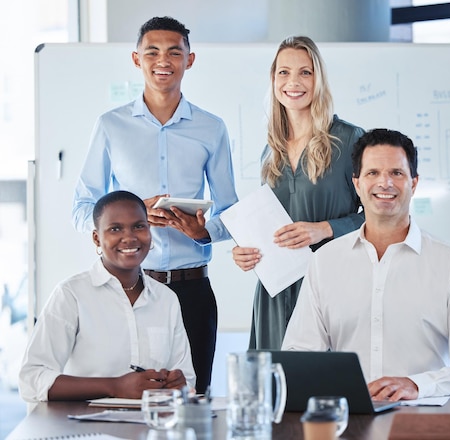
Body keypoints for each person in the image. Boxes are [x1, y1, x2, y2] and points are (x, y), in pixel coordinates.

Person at [72, 16, 238, 393]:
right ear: (136, 59)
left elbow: (230, 212)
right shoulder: (111, 126)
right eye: (153, 52)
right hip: (129, 287)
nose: (163, 60)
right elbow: (82, 208)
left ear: (189, 60)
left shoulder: (212, 128)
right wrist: (130, 219)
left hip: (192, 291)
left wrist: (204, 231)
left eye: (174, 52)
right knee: (127, 400)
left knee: (193, 400)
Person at [282, 128, 450, 401]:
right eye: (372, 173)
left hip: (423, 420)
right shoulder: (325, 261)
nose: (384, 183)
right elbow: (299, 356)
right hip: (350, 420)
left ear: (414, 183)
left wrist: (417, 385)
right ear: (357, 184)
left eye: (397, 173)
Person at [232, 36, 365, 350]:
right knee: (275, 391)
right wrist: (246, 250)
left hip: (329, 286)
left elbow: (381, 217)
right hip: (275, 292)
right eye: (283, 72)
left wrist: (324, 229)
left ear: (318, 79)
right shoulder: (271, 149)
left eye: (305, 72)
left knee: (323, 389)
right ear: (274, 79)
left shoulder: (349, 139)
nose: (293, 82)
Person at [19, 191, 195, 403]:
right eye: (115, 229)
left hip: (151, 427)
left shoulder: (166, 299)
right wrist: (115, 386)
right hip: (85, 428)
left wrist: (179, 384)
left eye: (139, 226)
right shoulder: (71, 294)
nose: (129, 237)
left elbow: (187, 378)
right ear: (97, 238)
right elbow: (31, 380)